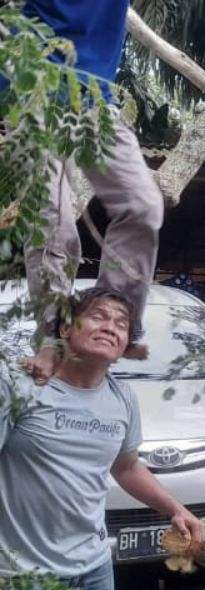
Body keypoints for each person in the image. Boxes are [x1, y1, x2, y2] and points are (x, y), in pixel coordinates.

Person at [0, 288, 205, 590]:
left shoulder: (121, 398)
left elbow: (126, 467)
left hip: (94, 569)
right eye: (98, 316)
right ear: (64, 330)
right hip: (23, 577)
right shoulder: (20, 387)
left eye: (121, 324)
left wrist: (177, 509)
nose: (110, 327)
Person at [10, 0, 164, 384]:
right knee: (53, 223)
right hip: (29, 97)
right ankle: (53, 339)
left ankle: (113, 316)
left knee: (143, 207)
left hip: (96, 101)